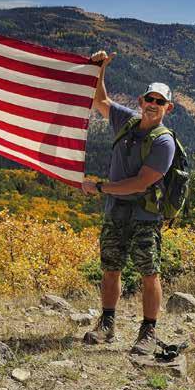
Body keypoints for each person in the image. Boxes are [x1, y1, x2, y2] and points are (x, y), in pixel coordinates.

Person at [81, 51, 176, 355]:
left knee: (149, 272)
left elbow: (141, 182)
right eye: (150, 99)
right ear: (141, 100)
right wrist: (100, 69)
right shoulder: (126, 121)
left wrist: (101, 187)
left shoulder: (164, 141)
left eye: (160, 101)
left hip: (145, 215)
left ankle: (148, 332)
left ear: (168, 107)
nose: (153, 104)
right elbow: (100, 100)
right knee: (111, 268)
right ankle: (107, 324)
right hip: (115, 212)